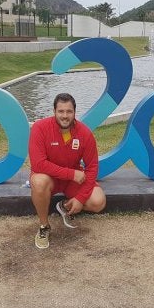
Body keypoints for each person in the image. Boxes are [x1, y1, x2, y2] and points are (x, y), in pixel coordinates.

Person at [28, 93, 106, 249]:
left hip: (72, 181)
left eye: (69, 111)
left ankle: (63, 206)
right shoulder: (40, 127)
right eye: (61, 111)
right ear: (54, 111)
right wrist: (71, 173)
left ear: (75, 112)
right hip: (50, 178)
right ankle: (44, 227)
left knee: (98, 202)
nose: (65, 116)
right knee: (38, 181)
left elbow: (92, 168)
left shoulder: (84, 133)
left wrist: (81, 198)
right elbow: (38, 165)